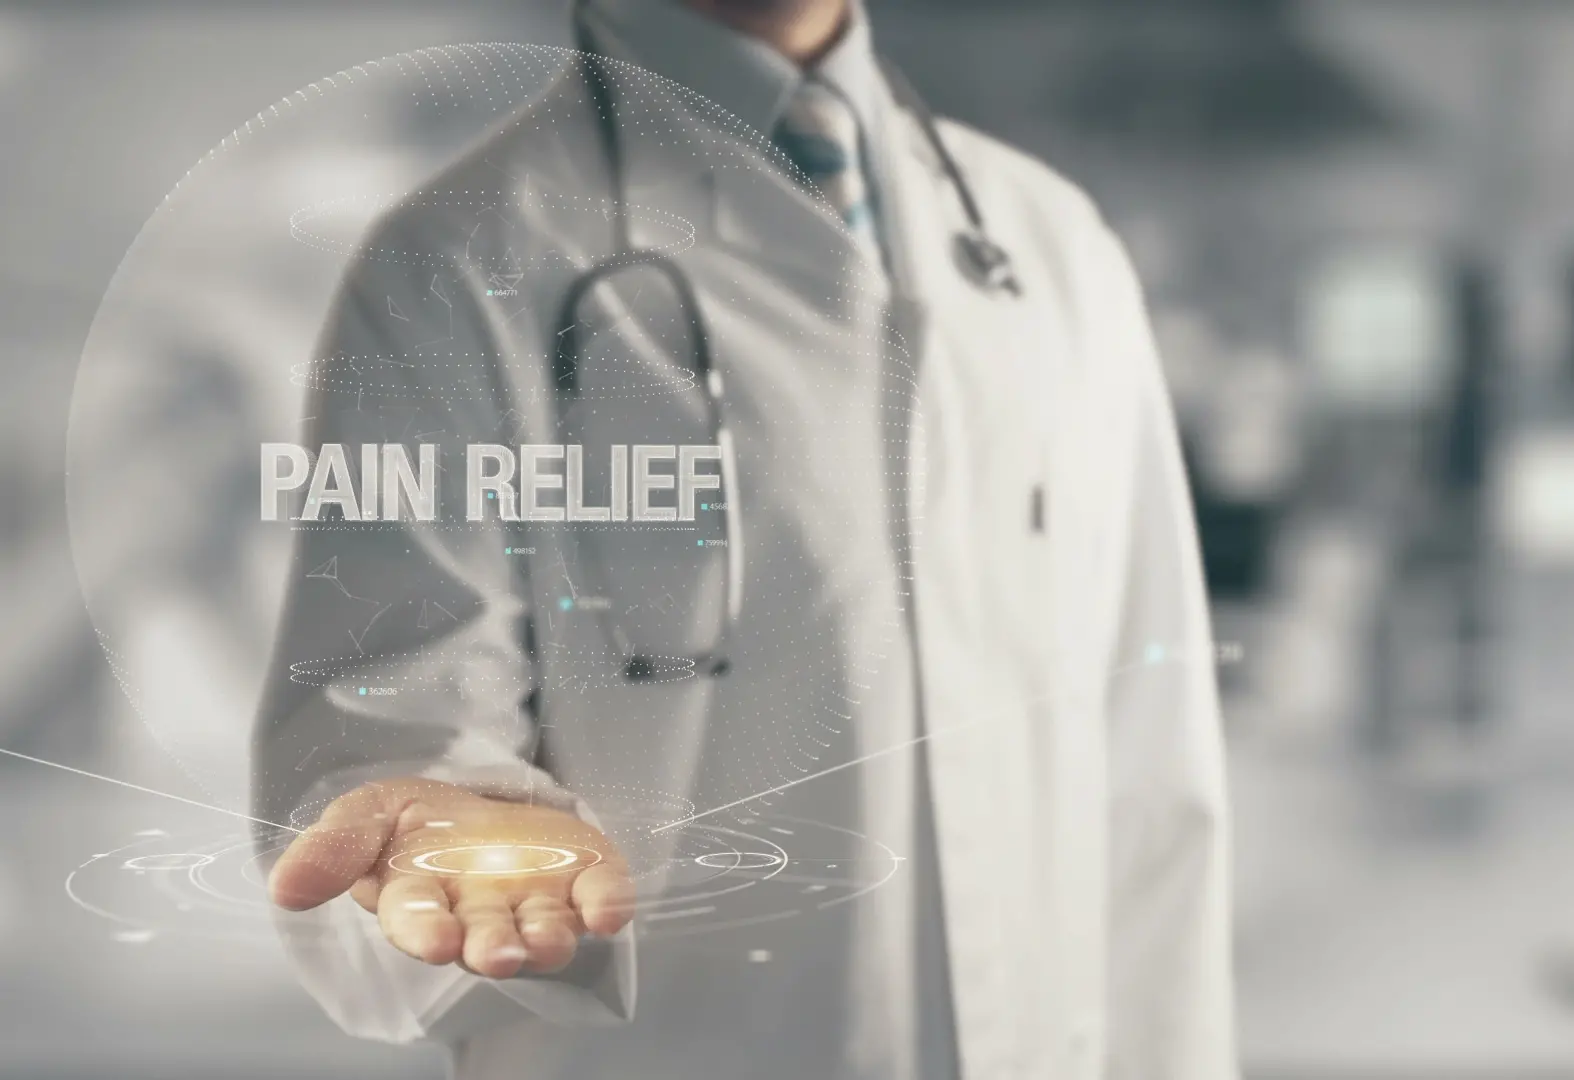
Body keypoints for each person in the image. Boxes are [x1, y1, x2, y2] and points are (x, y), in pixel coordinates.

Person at [256, 0, 1238, 1077]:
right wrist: (447, 840)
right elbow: (388, 740)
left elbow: (1151, 791)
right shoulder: (456, 260)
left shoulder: (1053, 245)